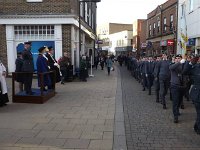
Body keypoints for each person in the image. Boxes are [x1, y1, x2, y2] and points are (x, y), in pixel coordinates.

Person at [183, 55, 200, 134]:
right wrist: (190, 63)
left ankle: (196, 126)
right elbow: (184, 72)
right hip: (197, 94)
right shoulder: (195, 67)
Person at [169, 54, 184, 123]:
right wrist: (179, 63)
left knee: (180, 100)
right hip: (174, 85)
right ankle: (175, 116)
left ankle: (177, 110)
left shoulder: (183, 65)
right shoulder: (173, 65)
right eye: (176, 58)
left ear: (181, 59)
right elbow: (171, 68)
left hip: (182, 85)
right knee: (175, 101)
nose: (177, 59)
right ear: (174, 59)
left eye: (179, 58)